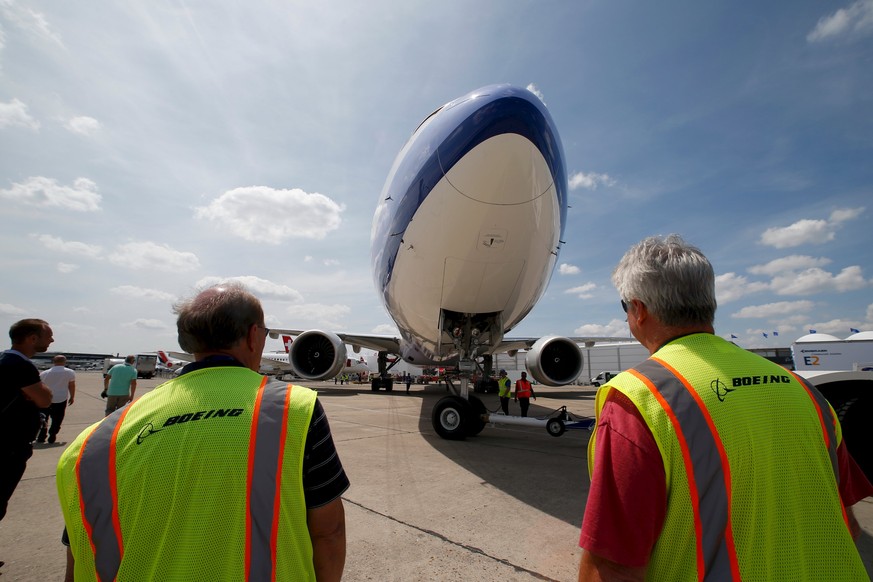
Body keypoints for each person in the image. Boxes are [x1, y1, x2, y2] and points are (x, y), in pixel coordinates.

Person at [578, 234, 873, 581]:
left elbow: (613, 564)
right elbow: (846, 522)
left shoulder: (639, 398)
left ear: (638, 310)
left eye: (624, 307)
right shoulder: (804, 390)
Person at [57, 282, 349, 581]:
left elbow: (78, 557)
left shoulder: (89, 444)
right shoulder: (293, 410)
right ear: (253, 336)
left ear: (186, 342)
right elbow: (329, 533)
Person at [1, 319, 53, 521]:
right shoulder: (21, 366)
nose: (52, 339)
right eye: (48, 335)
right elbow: (45, 399)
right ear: (32, 338)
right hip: (9, 446)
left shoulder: (5, 359)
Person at [36, 354, 76, 444]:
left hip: (45, 398)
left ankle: (42, 436)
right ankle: (53, 434)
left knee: (43, 418)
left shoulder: (44, 373)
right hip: (60, 399)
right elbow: (71, 385)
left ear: (53, 362)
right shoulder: (70, 372)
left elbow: (39, 386)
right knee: (57, 418)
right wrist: (72, 396)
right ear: (65, 361)